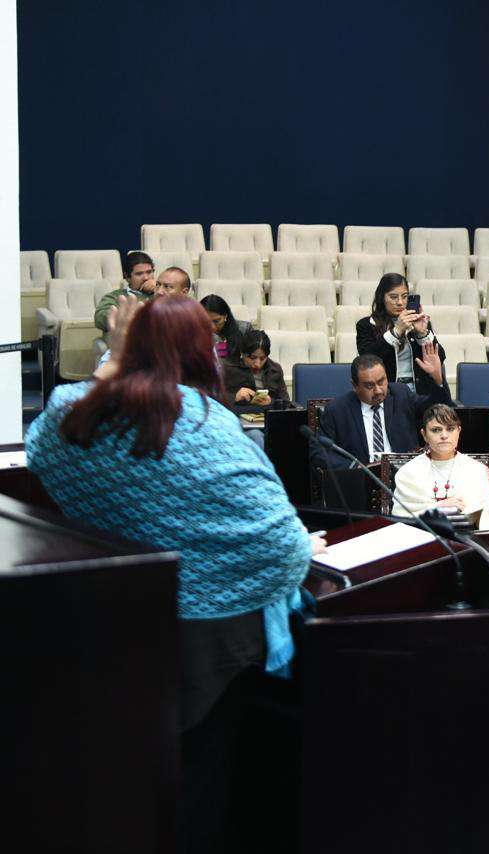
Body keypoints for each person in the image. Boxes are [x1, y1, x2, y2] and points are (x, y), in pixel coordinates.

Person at [24, 293, 321, 851]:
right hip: (208, 641)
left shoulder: (75, 409)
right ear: (204, 355)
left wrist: (113, 360)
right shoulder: (208, 427)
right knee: (199, 790)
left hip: (114, 621)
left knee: (133, 787)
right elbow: (285, 549)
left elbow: (40, 452)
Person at [310, 354, 447, 470]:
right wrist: (353, 467)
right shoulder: (338, 409)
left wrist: (437, 379)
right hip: (363, 479)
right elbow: (319, 452)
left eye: (382, 381)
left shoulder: (400, 394)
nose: (378, 390)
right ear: (355, 386)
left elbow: (437, 410)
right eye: (369, 385)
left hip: (405, 474)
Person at [355, 273, 451, 400]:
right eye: (393, 297)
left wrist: (422, 334)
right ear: (382, 298)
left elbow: (440, 359)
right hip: (386, 395)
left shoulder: (417, 322)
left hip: (420, 393)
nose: (400, 302)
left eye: (404, 296)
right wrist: (396, 331)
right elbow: (367, 360)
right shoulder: (366, 325)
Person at [221, 330, 290, 413]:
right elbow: (211, 399)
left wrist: (271, 401)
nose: (258, 364)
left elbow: (286, 402)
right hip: (238, 417)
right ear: (242, 353)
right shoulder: (228, 368)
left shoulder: (275, 369)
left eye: (262, 358)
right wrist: (234, 397)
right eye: (253, 358)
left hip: (268, 417)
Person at [94, 250, 156, 333]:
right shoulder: (115, 297)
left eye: (149, 272)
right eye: (139, 274)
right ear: (127, 277)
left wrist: (158, 290)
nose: (146, 278)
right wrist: (122, 316)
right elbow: (100, 318)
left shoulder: (161, 293)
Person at [200, 294, 251, 361]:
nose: (211, 326)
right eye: (206, 321)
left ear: (225, 316)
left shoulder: (244, 329)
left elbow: (254, 357)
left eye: (216, 321)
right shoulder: (193, 332)